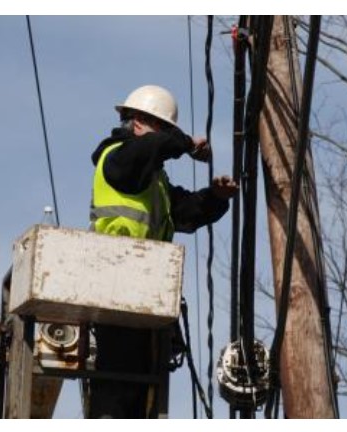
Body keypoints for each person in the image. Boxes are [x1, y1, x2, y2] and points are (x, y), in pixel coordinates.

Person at [87, 85, 237, 418]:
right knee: (116, 393)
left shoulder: (154, 182)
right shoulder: (117, 158)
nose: (167, 138)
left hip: (146, 293)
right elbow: (152, 149)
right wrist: (185, 143)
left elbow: (185, 213)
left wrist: (215, 197)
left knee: (144, 396)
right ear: (138, 122)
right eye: (164, 129)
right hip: (115, 286)